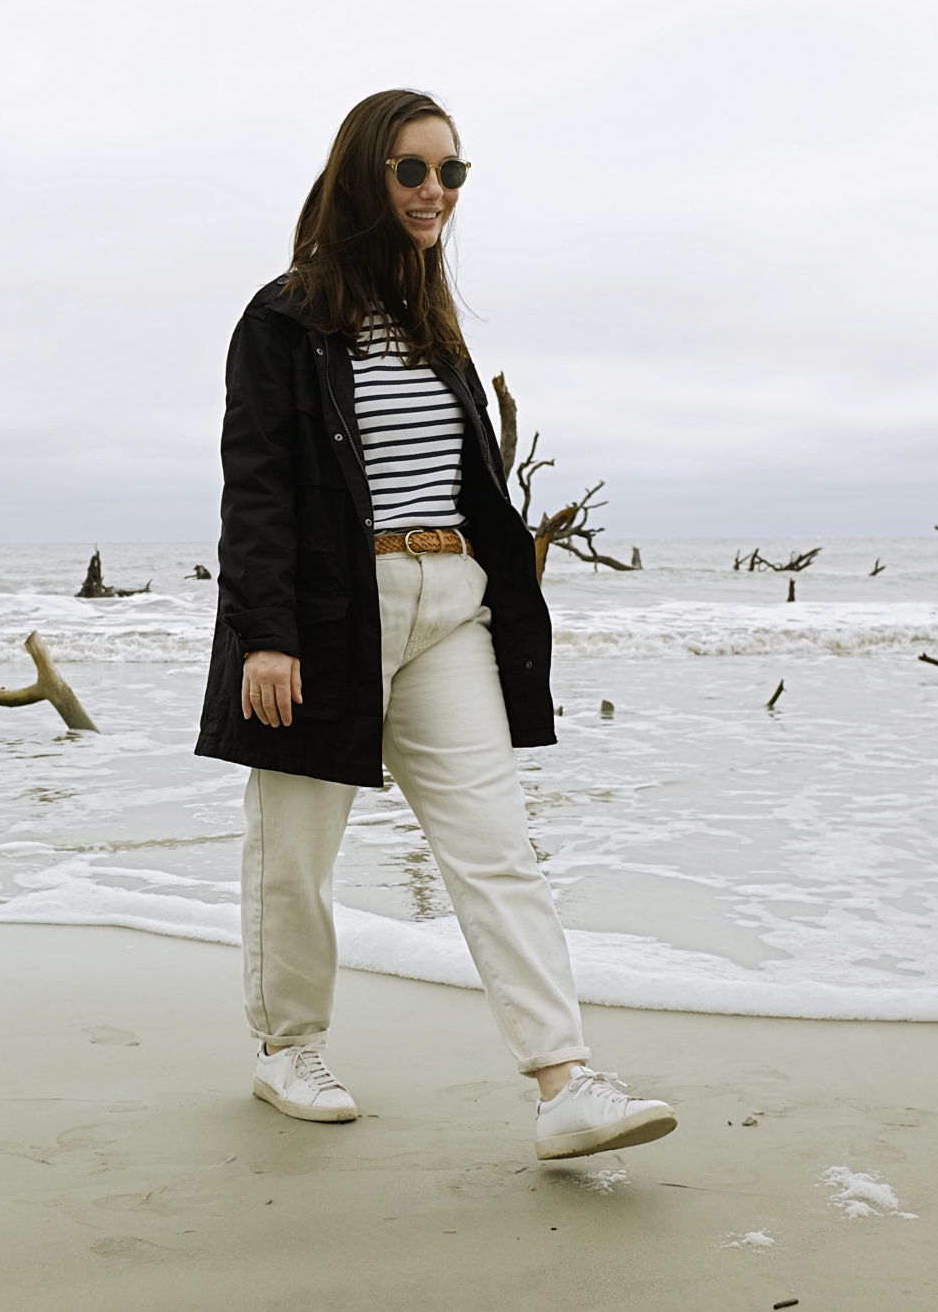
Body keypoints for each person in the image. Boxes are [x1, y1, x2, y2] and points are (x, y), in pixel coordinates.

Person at [194, 89, 676, 1162]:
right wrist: (265, 633)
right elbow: (257, 484)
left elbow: (463, 483)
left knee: (495, 847)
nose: (432, 192)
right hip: (326, 616)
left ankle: (563, 1081)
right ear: (365, 174)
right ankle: (287, 1048)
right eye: (412, 171)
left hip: (447, 605)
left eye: (451, 173)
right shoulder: (282, 318)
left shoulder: (432, 320)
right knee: (294, 855)